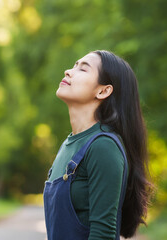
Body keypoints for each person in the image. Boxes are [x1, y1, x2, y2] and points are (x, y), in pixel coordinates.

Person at [43, 50, 153, 240]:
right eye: (74, 65)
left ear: (103, 91)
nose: (68, 71)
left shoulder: (103, 147)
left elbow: (103, 235)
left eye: (83, 69)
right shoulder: (68, 144)